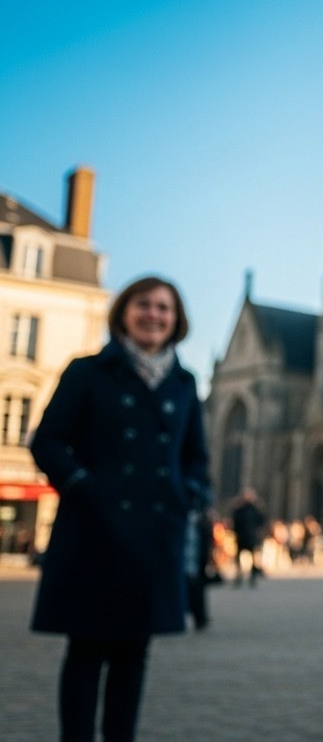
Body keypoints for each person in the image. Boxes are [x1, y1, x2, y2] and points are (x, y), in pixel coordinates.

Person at [28, 276, 211, 742]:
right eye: (144, 305)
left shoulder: (184, 383)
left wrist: (186, 492)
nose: (154, 314)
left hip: (153, 536)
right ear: (124, 312)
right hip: (94, 533)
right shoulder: (87, 372)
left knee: (133, 656)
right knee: (86, 652)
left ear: (177, 320)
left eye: (164, 308)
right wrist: (81, 484)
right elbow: (48, 440)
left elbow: (197, 458)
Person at [231, 487, 267, 587]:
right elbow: (235, 521)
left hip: (251, 537)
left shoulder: (254, 509)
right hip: (241, 537)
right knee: (238, 559)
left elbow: (262, 520)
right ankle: (239, 577)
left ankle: (253, 578)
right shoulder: (240, 509)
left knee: (253, 559)